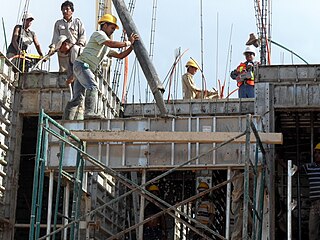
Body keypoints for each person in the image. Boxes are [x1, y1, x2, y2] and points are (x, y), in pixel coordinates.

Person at [63, 13, 139, 119]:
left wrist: (132, 46)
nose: (113, 31)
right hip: (82, 65)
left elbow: (120, 55)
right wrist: (128, 43)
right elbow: (111, 43)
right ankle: (89, 113)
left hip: (81, 67)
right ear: (104, 25)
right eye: (112, 27)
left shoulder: (104, 46)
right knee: (92, 87)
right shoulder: (98, 34)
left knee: (78, 98)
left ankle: (66, 120)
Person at [48, 1, 86, 72]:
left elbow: (82, 35)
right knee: (63, 72)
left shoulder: (77, 22)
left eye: (67, 9)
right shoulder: (58, 23)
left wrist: (79, 46)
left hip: (74, 50)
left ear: (72, 11)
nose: (65, 11)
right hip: (63, 52)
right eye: (63, 9)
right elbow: (55, 37)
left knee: (75, 70)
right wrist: (52, 48)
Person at [303, 143, 320, 240]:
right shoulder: (310, 167)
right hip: (314, 204)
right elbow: (293, 169)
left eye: (319, 153)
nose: (316, 155)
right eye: (316, 153)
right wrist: (277, 159)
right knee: (312, 230)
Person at [231, 170, 253, 240]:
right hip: (240, 201)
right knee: (239, 224)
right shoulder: (238, 176)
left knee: (248, 223)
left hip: (244, 201)